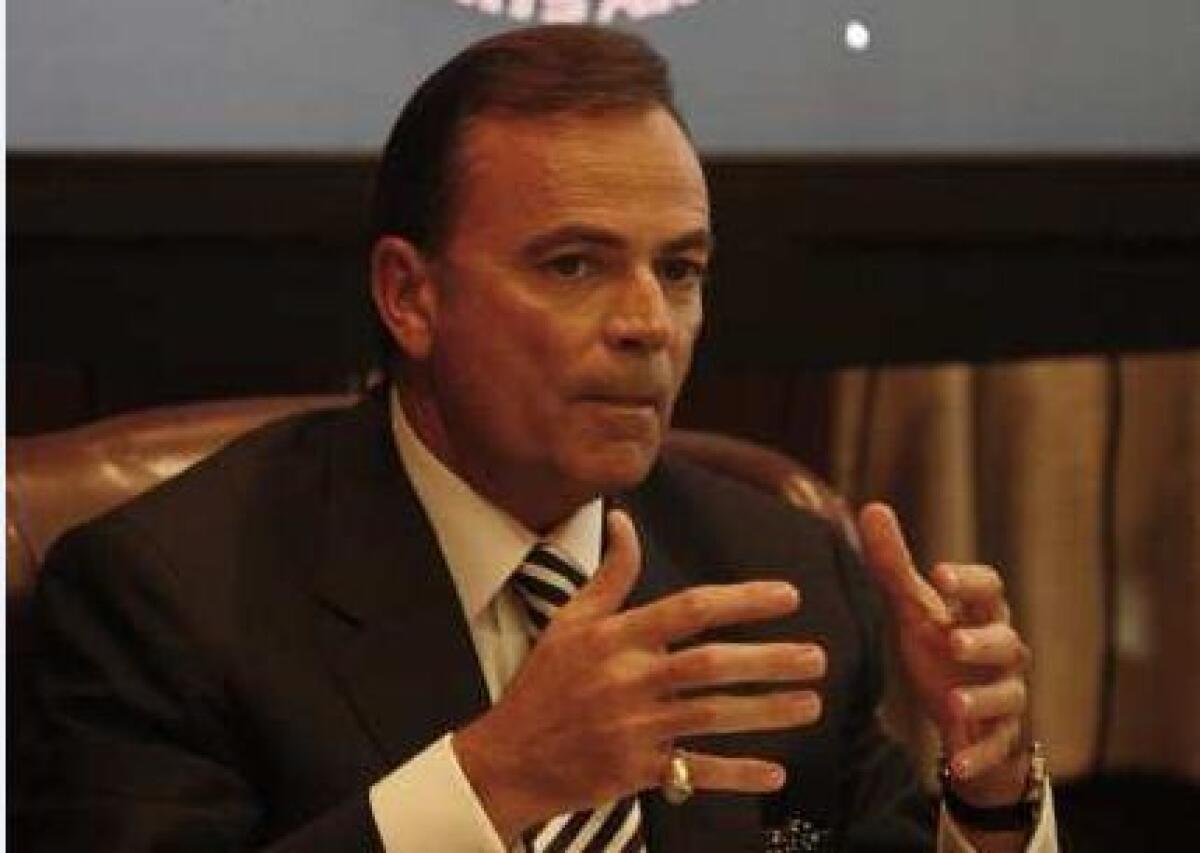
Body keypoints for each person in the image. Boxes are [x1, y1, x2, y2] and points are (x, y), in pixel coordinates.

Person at [16, 24, 1057, 853]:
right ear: (409, 296)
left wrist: (991, 795)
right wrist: (494, 780)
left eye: (681, 269)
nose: (649, 321)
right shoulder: (164, 597)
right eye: (574, 265)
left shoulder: (778, 571)